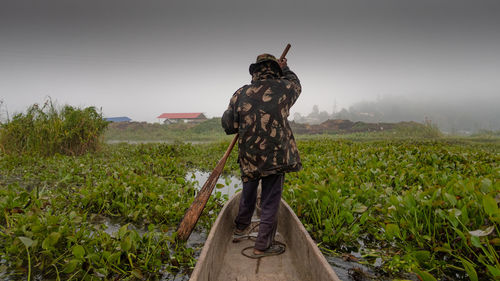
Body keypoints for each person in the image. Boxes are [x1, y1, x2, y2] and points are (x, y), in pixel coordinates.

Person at [221, 53, 302, 257]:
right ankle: (262, 245)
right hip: (275, 156)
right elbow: (296, 84)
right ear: (275, 69)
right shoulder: (284, 87)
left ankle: (240, 228)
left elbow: (229, 126)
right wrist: (285, 68)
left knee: (248, 191)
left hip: (249, 155)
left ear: (255, 71)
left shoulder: (240, 93)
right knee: (270, 200)